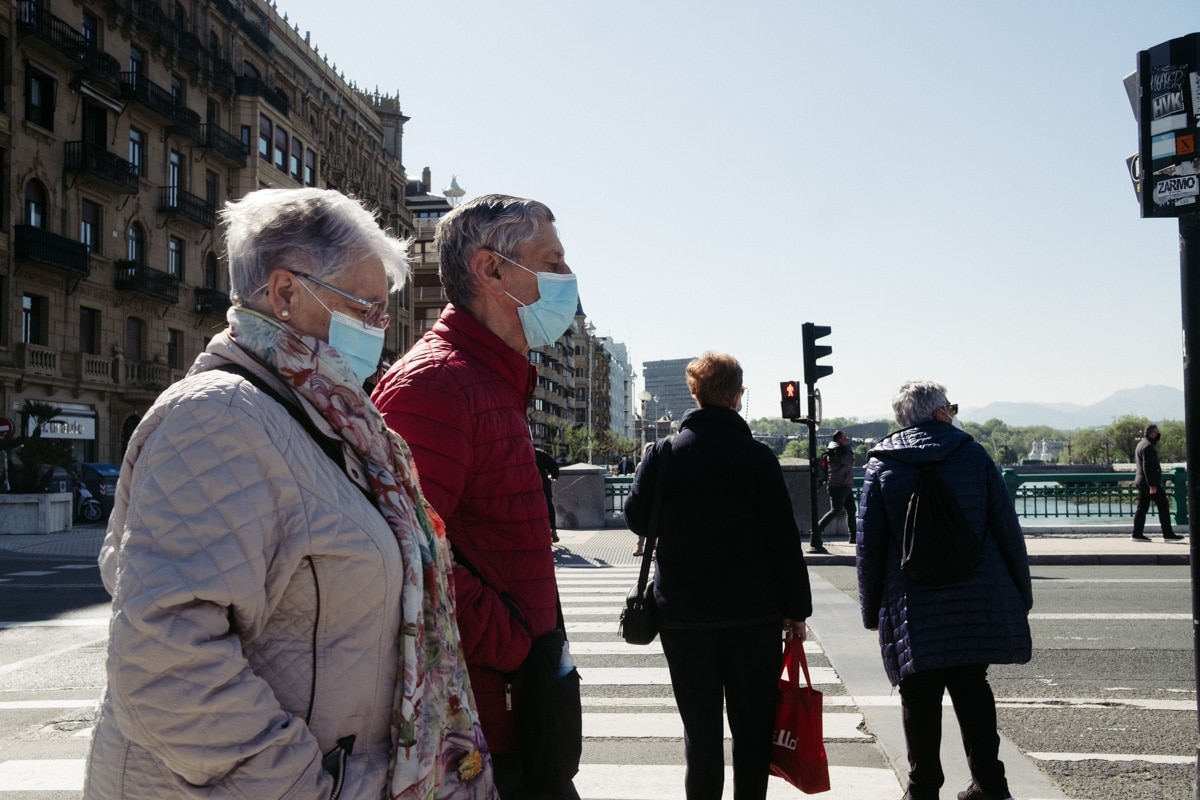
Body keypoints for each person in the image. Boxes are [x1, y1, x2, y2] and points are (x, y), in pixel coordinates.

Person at [83, 188, 494, 800]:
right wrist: (308, 786)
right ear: (284, 293)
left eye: (385, 312)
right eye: (367, 307)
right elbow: (165, 664)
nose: (381, 329)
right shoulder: (219, 416)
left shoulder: (329, 421)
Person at [371, 194, 580, 799]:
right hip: (484, 733)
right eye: (553, 262)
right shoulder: (437, 385)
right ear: (492, 271)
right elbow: (404, 553)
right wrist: (515, 644)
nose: (568, 279)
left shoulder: (487, 377)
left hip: (520, 713)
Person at [624, 352, 812, 800]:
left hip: (685, 617)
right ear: (737, 396)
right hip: (754, 616)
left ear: (695, 393)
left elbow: (635, 517)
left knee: (701, 734)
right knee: (751, 733)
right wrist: (796, 611)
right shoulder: (757, 458)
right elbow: (783, 540)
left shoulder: (666, 454)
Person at [857, 381, 1033, 800]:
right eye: (950, 407)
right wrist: (1020, 594)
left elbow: (870, 549)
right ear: (938, 413)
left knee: (918, 693)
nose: (953, 413)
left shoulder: (882, 464)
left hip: (911, 600)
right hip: (976, 592)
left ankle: (923, 790)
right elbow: (1007, 529)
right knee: (973, 686)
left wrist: (870, 611)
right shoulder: (972, 453)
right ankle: (991, 786)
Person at [1132, 423, 1184, 541]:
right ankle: (1168, 534)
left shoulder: (1141, 444)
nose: (1158, 434)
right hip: (1148, 483)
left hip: (1140, 481)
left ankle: (1136, 534)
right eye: (1157, 432)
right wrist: (1152, 485)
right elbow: (1147, 467)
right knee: (1163, 504)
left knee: (1142, 508)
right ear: (1152, 434)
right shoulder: (1149, 446)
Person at [814, 429, 857, 546]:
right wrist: (848, 449)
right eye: (844, 438)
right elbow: (848, 459)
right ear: (838, 439)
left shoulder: (841, 449)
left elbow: (850, 459)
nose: (846, 439)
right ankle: (817, 529)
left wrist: (848, 451)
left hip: (845, 484)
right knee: (836, 510)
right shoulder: (835, 450)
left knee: (852, 510)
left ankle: (853, 536)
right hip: (838, 485)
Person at [535, 447, 561, 543]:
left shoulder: (519, 452)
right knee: (548, 505)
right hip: (543, 485)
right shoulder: (540, 453)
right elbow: (553, 465)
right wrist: (554, 476)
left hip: (527, 486)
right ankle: (553, 529)